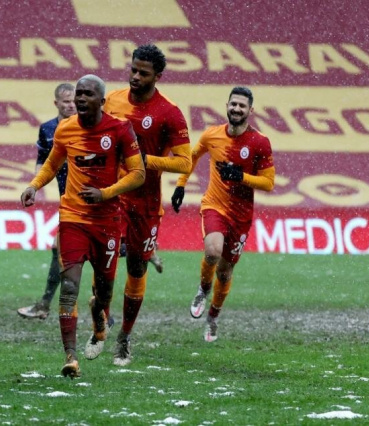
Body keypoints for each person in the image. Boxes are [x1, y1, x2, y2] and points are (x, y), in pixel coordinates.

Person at [20, 74, 145, 378]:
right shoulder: (65, 129)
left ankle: (98, 315)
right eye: (78, 93)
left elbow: (138, 173)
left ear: (102, 101)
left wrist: (106, 193)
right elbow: (52, 163)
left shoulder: (119, 129)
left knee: (104, 292)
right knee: (69, 286)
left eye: (87, 94)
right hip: (73, 217)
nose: (80, 98)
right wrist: (34, 185)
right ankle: (70, 356)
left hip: (107, 222)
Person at [84, 44, 192, 366]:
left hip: (144, 204)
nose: (135, 77)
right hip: (111, 197)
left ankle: (125, 337)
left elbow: (184, 162)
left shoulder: (169, 112)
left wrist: (147, 160)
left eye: (143, 73)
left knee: (136, 268)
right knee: (102, 265)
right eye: (133, 70)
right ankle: (99, 328)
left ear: (158, 76)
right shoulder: (113, 100)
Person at [171, 86, 275, 342]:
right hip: (214, 206)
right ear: (227, 106)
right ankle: (203, 289)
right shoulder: (212, 135)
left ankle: (213, 317)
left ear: (250, 110)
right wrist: (181, 184)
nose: (236, 109)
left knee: (225, 272)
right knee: (212, 251)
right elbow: (191, 156)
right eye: (233, 104)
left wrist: (241, 177)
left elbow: (268, 183)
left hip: (241, 215)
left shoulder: (259, 142)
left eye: (242, 106)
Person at [17, 83, 76, 320]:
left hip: (86, 199)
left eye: (74, 100)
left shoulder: (87, 127)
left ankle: (46, 305)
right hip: (68, 199)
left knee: (63, 249)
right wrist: (36, 185)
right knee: (64, 250)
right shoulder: (48, 129)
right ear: (56, 103)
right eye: (66, 101)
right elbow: (43, 160)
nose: (71, 105)